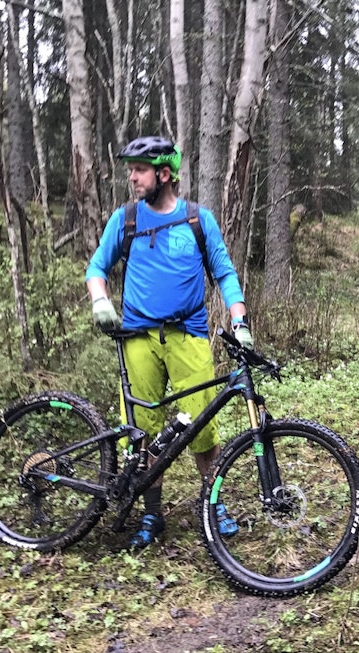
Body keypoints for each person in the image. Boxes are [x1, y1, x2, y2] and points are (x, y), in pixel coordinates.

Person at [86, 135, 254, 549]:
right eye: (131, 170)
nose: (132, 177)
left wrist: (241, 321)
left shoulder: (198, 220)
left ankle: (213, 505)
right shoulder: (124, 219)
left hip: (189, 336)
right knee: (139, 430)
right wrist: (100, 300)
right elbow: (97, 267)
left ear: (165, 174)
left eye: (140, 170)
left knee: (202, 427)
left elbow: (225, 274)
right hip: (139, 338)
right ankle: (151, 513)